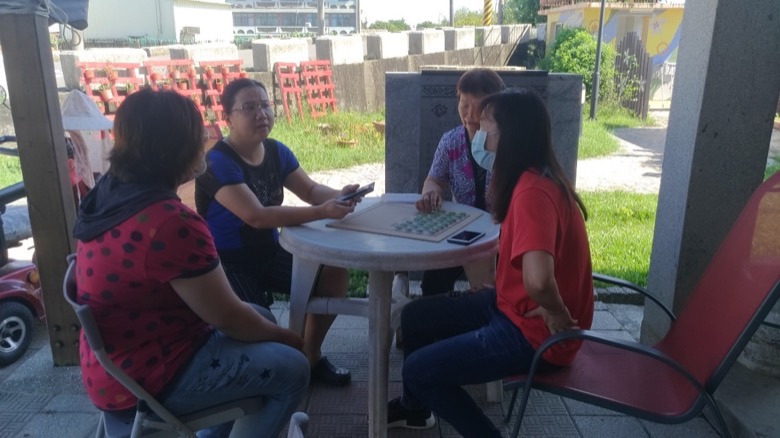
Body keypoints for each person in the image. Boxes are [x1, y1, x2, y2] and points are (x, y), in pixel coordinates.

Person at [73, 89, 310, 438]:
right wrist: (290, 339)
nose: (205, 142)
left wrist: (268, 331)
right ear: (173, 148)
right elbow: (228, 318)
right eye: (197, 135)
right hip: (146, 378)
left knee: (261, 316)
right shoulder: (169, 222)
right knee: (293, 368)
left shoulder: (108, 194)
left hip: (112, 365)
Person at [387, 91, 594, 437]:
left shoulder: (532, 193)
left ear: (510, 137)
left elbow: (540, 281)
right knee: (414, 318)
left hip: (539, 335)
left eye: (485, 128)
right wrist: (503, 290)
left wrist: (556, 311)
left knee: (419, 371)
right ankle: (415, 409)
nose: (478, 136)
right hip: (516, 309)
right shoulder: (533, 179)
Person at [195, 78, 360, 386]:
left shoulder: (275, 151)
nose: (261, 114)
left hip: (271, 254)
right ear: (227, 117)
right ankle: (266, 378)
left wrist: (340, 196)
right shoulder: (217, 162)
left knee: (333, 272)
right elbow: (256, 216)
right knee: (261, 326)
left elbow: (310, 190)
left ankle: (310, 357)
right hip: (228, 265)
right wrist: (322, 211)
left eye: (265, 105)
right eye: (249, 107)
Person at [416, 68, 505, 296]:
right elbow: (434, 179)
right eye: (463, 105)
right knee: (433, 284)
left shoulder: (507, 144)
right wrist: (431, 193)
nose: (469, 114)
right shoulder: (451, 142)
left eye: (477, 106)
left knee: (495, 291)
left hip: (502, 233)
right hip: (462, 229)